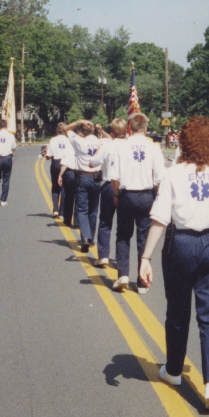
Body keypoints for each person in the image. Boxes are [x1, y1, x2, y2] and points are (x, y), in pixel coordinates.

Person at [139, 116, 209, 411]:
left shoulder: (174, 174)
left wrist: (145, 257)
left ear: (182, 142)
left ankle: (173, 370)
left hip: (180, 244)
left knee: (178, 308)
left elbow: (160, 217)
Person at [109, 113, 167, 293]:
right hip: (146, 195)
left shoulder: (121, 146)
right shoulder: (153, 147)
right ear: (145, 128)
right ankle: (142, 282)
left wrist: (117, 194)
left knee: (123, 235)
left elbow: (114, 177)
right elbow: (160, 177)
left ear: (130, 128)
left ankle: (123, 274)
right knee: (144, 237)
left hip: (127, 194)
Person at [89, 118, 127, 268]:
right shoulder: (129, 146)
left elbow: (92, 162)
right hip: (126, 187)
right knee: (123, 226)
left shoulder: (108, 146)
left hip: (109, 185)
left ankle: (103, 255)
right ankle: (121, 259)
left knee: (105, 222)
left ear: (112, 132)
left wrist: (99, 150)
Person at [63, 119, 101, 252]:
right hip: (96, 177)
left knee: (81, 208)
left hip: (83, 175)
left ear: (82, 133)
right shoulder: (100, 141)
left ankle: (85, 237)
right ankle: (91, 238)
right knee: (93, 209)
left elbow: (66, 129)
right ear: (93, 131)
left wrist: (79, 121)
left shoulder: (80, 141)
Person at [46, 123, 70, 219]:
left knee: (55, 187)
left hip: (55, 163)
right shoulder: (68, 140)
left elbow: (49, 155)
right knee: (64, 188)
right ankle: (62, 212)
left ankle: (55, 209)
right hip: (65, 164)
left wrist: (46, 154)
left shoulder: (53, 140)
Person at [57, 128, 79, 229]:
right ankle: (77, 221)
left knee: (69, 197)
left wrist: (60, 175)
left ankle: (67, 219)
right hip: (80, 173)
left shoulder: (69, 146)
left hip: (70, 172)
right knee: (79, 198)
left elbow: (64, 162)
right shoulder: (82, 146)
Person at [0, 119, 16, 206]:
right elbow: (13, 148)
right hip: (7, 158)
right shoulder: (10, 136)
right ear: (6, 126)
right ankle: (3, 200)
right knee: (6, 179)